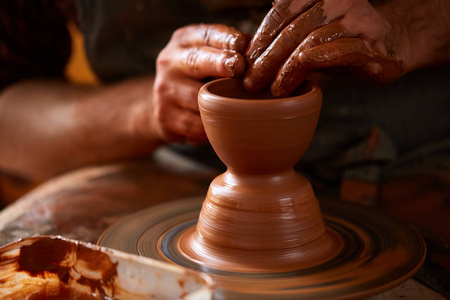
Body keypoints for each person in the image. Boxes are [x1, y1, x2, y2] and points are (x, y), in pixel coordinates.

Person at [0, 0, 449, 203]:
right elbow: (9, 120)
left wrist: (413, 26)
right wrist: (147, 110)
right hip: (180, 171)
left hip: (421, 156)